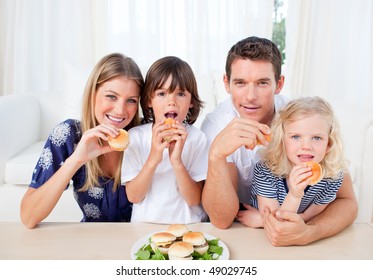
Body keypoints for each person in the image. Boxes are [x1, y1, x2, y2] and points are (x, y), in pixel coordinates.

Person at [201, 36, 358, 245]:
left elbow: (347, 201)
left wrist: (308, 233)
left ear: (279, 84)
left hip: (291, 223)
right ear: (227, 84)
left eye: (262, 83)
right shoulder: (216, 125)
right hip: (240, 227)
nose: (250, 96)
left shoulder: (299, 118)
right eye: (240, 83)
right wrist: (216, 154)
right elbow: (221, 220)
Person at [20, 53, 144, 228]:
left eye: (131, 100)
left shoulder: (146, 135)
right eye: (111, 96)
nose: (120, 110)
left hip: (141, 242)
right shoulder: (68, 135)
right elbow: (28, 217)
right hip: (89, 239)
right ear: (93, 94)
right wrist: (77, 159)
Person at [237, 97, 348, 228]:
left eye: (317, 138)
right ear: (282, 140)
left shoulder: (333, 177)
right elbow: (278, 225)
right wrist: (294, 195)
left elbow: (307, 217)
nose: (306, 146)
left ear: (329, 143)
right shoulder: (266, 170)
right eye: (296, 137)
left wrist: (262, 221)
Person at [121, 56, 208, 224]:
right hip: (145, 227)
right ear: (148, 101)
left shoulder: (198, 139)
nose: (171, 101)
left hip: (189, 227)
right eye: (161, 93)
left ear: (191, 102)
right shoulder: (136, 137)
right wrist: (154, 157)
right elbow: (133, 196)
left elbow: (194, 200)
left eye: (181, 94)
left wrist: (177, 162)